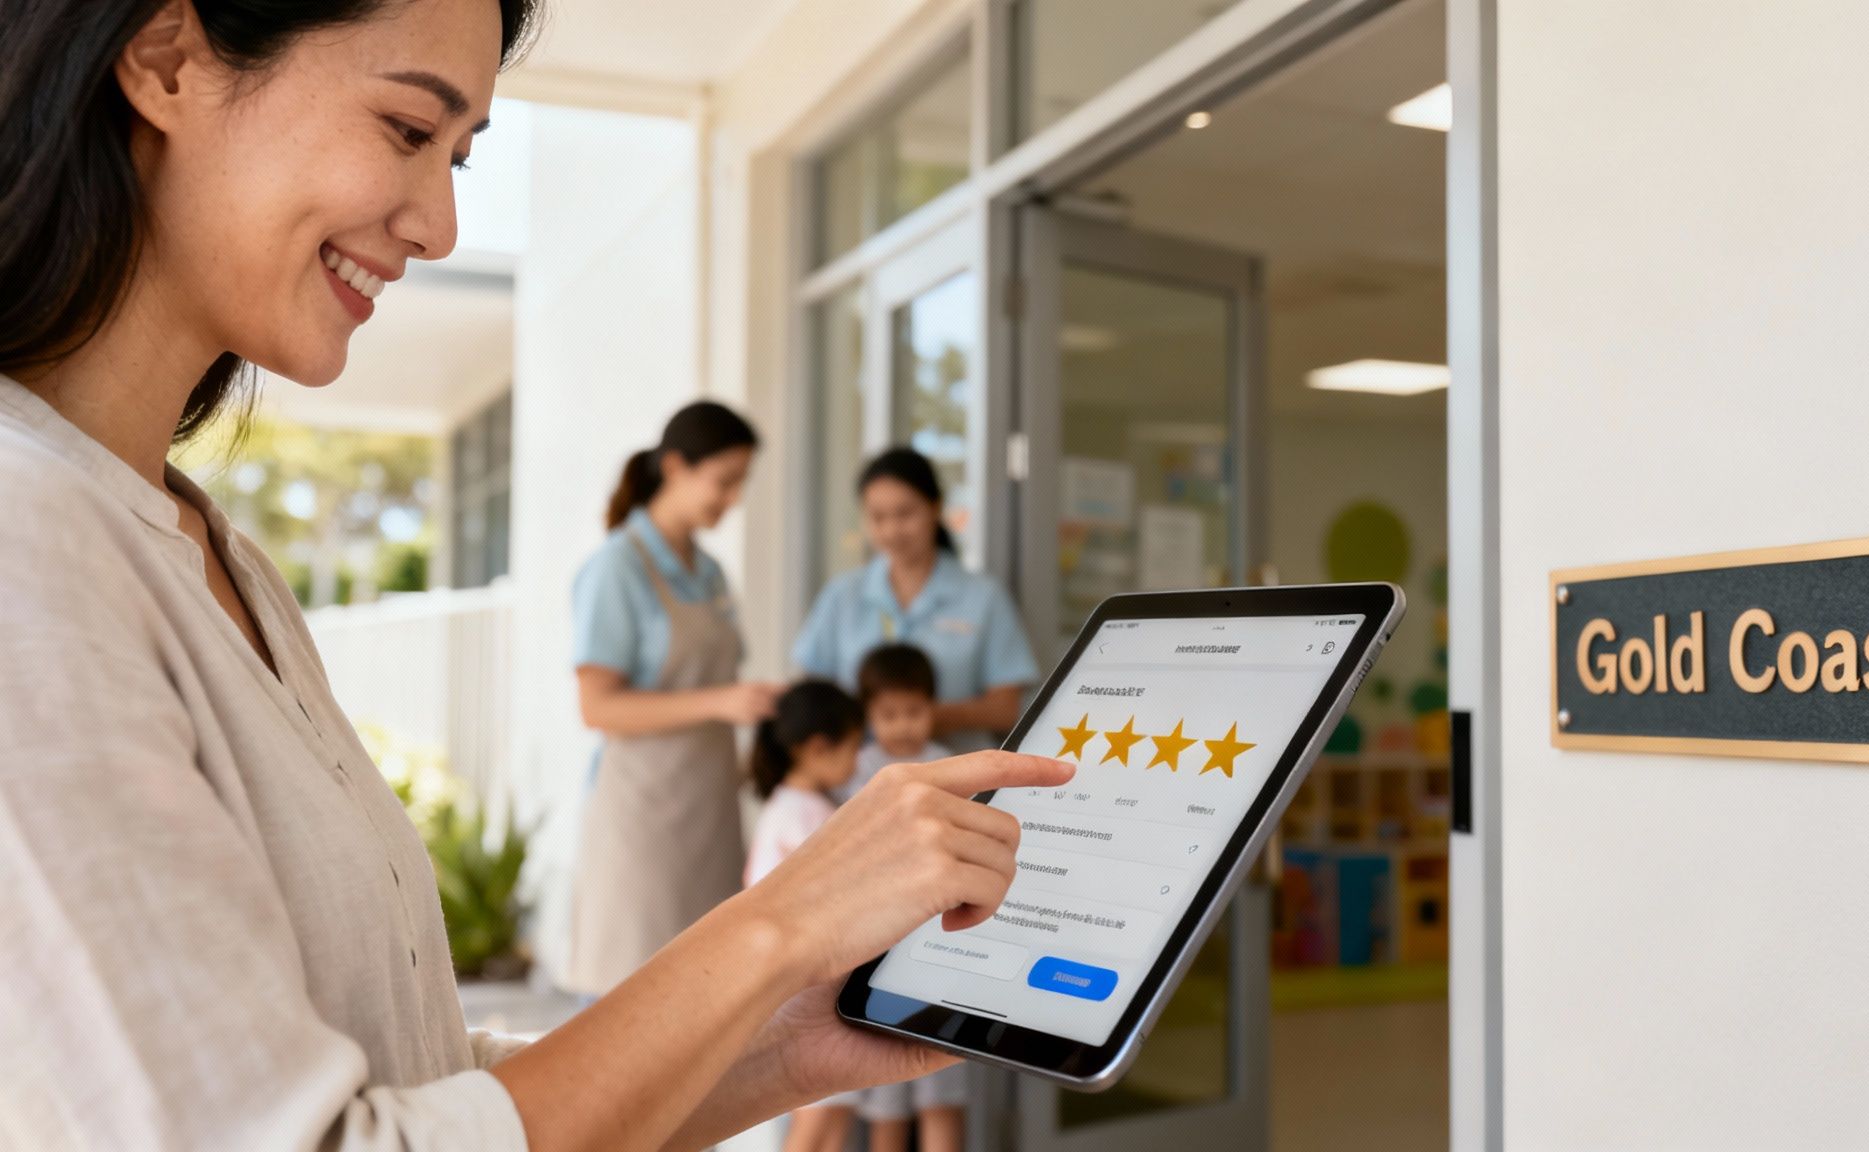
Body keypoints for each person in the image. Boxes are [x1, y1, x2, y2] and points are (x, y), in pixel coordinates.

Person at [0, 1, 1074, 1147]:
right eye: (410, 130)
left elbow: (401, 1073)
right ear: (166, 61)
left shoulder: (219, 559)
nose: (442, 225)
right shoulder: (27, 537)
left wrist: (779, 1040)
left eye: (460, 158)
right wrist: (777, 926)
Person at [565, 401, 782, 999]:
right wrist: (719, 702)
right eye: (724, 481)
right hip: (642, 826)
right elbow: (599, 709)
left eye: (741, 483)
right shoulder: (617, 569)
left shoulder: (709, 572)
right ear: (676, 466)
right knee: (625, 1006)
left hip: (710, 814)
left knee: (705, 1003)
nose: (732, 498)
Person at [795, 448, 1040, 750]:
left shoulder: (984, 597)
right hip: (861, 779)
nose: (892, 530)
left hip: (955, 773)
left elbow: (1007, 708)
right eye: (878, 517)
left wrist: (929, 717)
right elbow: (812, 695)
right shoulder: (841, 595)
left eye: (905, 513)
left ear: (935, 508)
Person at [835, 645, 969, 1152]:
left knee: (941, 1097)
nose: (903, 725)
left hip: (940, 943)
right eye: (888, 714)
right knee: (885, 1100)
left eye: (914, 711)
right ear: (867, 714)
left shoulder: (949, 765)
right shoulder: (857, 768)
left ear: (932, 707)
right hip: (880, 945)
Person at [740, 681, 866, 1152]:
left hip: (789, 978)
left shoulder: (785, 808)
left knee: (826, 1106)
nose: (858, 759)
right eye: (855, 746)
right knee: (817, 1114)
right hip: (809, 980)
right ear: (817, 748)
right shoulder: (810, 816)